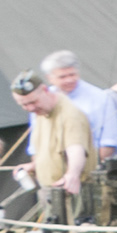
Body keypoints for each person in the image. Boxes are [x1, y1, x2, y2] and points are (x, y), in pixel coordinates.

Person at [45, 50, 117, 225]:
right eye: (63, 76)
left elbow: (108, 144)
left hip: (88, 179)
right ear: (50, 78)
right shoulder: (43, 99)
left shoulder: (98, 98)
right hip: (53, 179)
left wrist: (82, 171)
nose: (69, 80)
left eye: (72, 74)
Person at [15, 74, 94, 220]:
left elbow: (76, 149)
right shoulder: (41, 113)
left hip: (71, 194)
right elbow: (51, 150)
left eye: (33, 101)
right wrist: (34, 166)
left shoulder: (70, 115)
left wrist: (72, 174)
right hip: (51, 194)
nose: (30, 108)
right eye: (24, 105)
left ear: (45, 90)